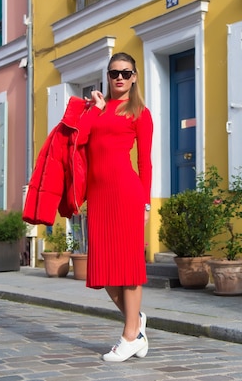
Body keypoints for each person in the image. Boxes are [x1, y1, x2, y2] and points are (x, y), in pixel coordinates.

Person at [76, 52, 153, 362]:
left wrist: (146, 203)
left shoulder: (140, 113)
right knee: (105, 272)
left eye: (125, 72)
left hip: (127, 195)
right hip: (99, 198)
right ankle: (136, 321)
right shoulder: (98, 109)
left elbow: (144, 162)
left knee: (129, 267)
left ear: (134, 76)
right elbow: (79, 142)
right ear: (107, 77)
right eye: (113, 73)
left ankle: (130, 334)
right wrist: (93, 110)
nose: (119, 77)